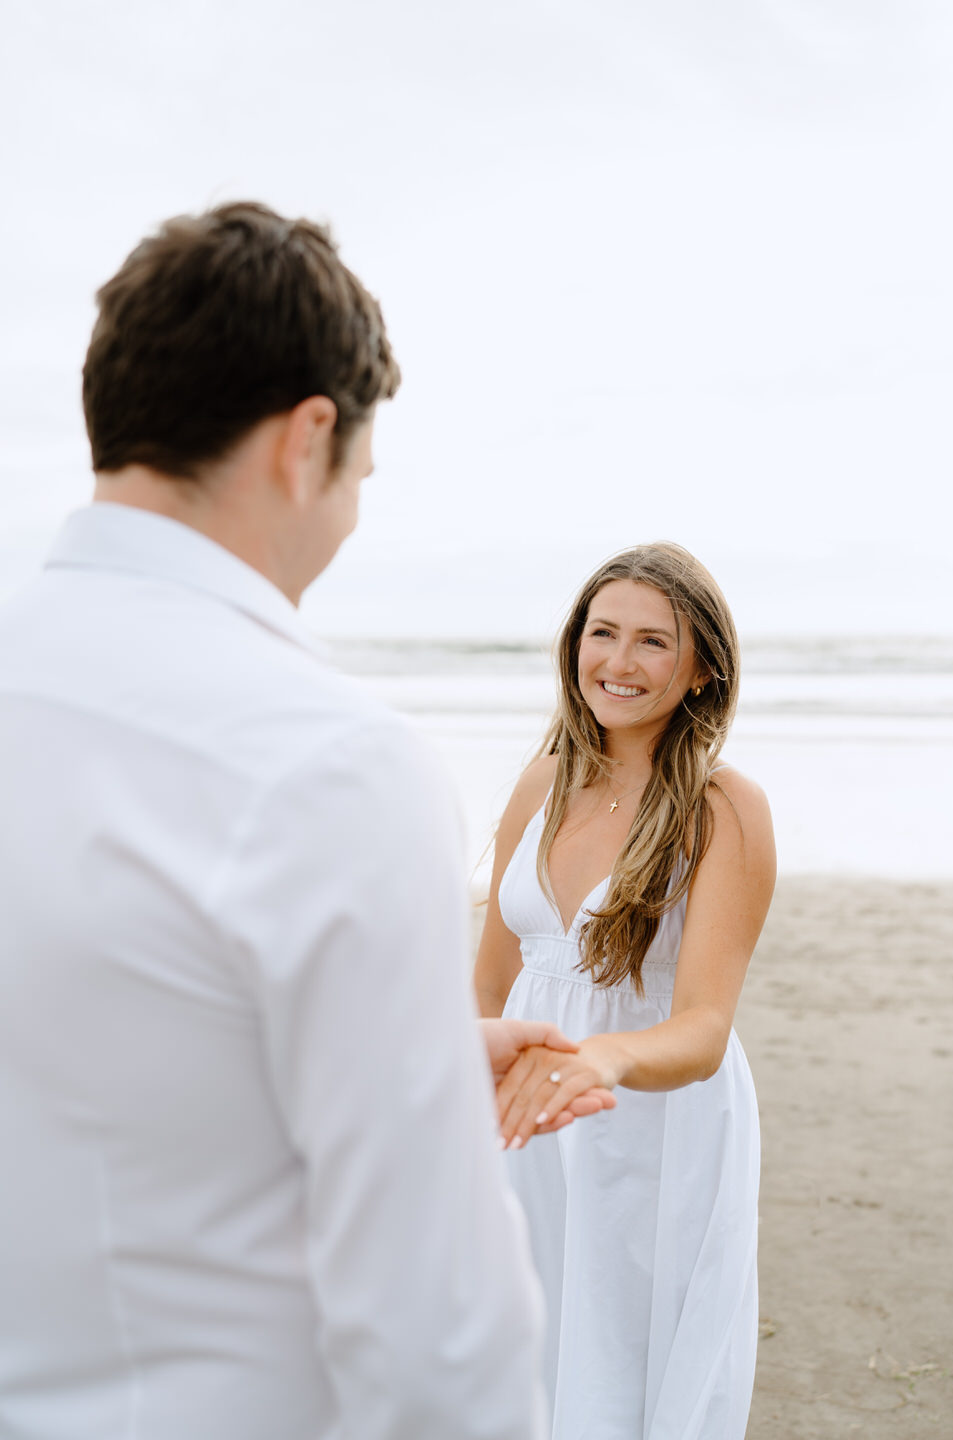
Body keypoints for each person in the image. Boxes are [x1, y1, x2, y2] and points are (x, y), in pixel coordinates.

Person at [0, 202, 610, 1440]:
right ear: (308, 438)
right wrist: (415, 1090)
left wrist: (417, 1053)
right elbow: (444, 1344)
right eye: (363, 479)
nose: (349, 514)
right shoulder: (328, 766)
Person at [474, 543, 777, 1439]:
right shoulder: (542, 782)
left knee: (624, 1368)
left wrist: (599, 1059)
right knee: (522, 1357)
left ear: (700, 669)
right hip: (530, 1114)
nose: (619, 661)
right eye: (603, 632)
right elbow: (489, 982)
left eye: (653, 641)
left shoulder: (721, 806)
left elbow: (705, 1029)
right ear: (574, 646)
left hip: (655, 1122)